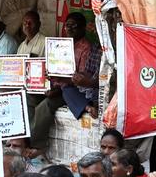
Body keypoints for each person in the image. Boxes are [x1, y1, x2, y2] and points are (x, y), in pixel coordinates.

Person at [28, 12, 101, 153]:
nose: (70, 29)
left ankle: (35, 145)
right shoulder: (59, 45)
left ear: (83, 28)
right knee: (29, 98)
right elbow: (52, 70)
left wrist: (58, 86)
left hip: (71, 89)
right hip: (57, 86)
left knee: (46, 105)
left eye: (74, 26)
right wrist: (47, 79)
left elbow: (78, 79)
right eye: (67, 25)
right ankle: (23, 137)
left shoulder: (86, 48)